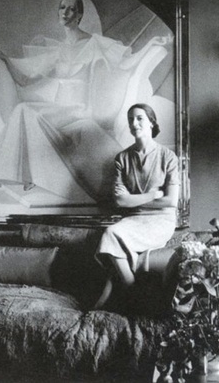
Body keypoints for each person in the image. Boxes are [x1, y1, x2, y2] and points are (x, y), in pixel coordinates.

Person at [0, 0, 171, 203]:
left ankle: (7, 174)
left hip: (79, 109)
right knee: (23, 109)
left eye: (71, 9)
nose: (65, 12)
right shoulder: (59, 49)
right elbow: (25, 79)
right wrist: (3, 57)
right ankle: (18, 176)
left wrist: (151, 44)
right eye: (62, 8)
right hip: (58, 108)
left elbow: (125, 64)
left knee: (26, 111)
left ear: (79, 15)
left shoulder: (94, 43)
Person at [94, 103, 180, 309]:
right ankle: (133, 290)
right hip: (134, 219)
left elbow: (171, 201)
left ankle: (123, 293)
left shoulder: (168, 156)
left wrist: (134, 200)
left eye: (140, 118)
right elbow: (120, 201)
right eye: (130, 119)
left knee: (113, 237)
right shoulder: (122, 158)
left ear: (151, 122)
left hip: (161, 220)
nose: (134, 123)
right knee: (111, 233)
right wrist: (153, 195)